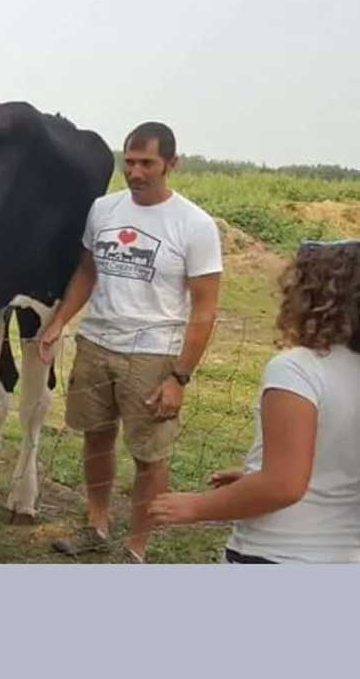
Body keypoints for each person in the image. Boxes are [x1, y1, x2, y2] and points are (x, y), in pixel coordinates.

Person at [38, 121, 222, 563]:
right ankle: (97, 525)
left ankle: (137, 546)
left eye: (147, 164)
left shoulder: (194, 225)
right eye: (130, 162)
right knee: (95, 440)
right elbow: (87, 271)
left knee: (148, 455)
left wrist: (180, 376)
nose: (135, 173)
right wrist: (60, 320)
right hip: (97, 344)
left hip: (153, 353)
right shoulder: (103, 210)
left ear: (171, 164)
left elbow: (205, 308)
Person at [149, 240, 360, 563]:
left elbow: (283, 485)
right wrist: (256, 478)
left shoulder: (299, 369)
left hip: (277, 552)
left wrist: (195, 506)